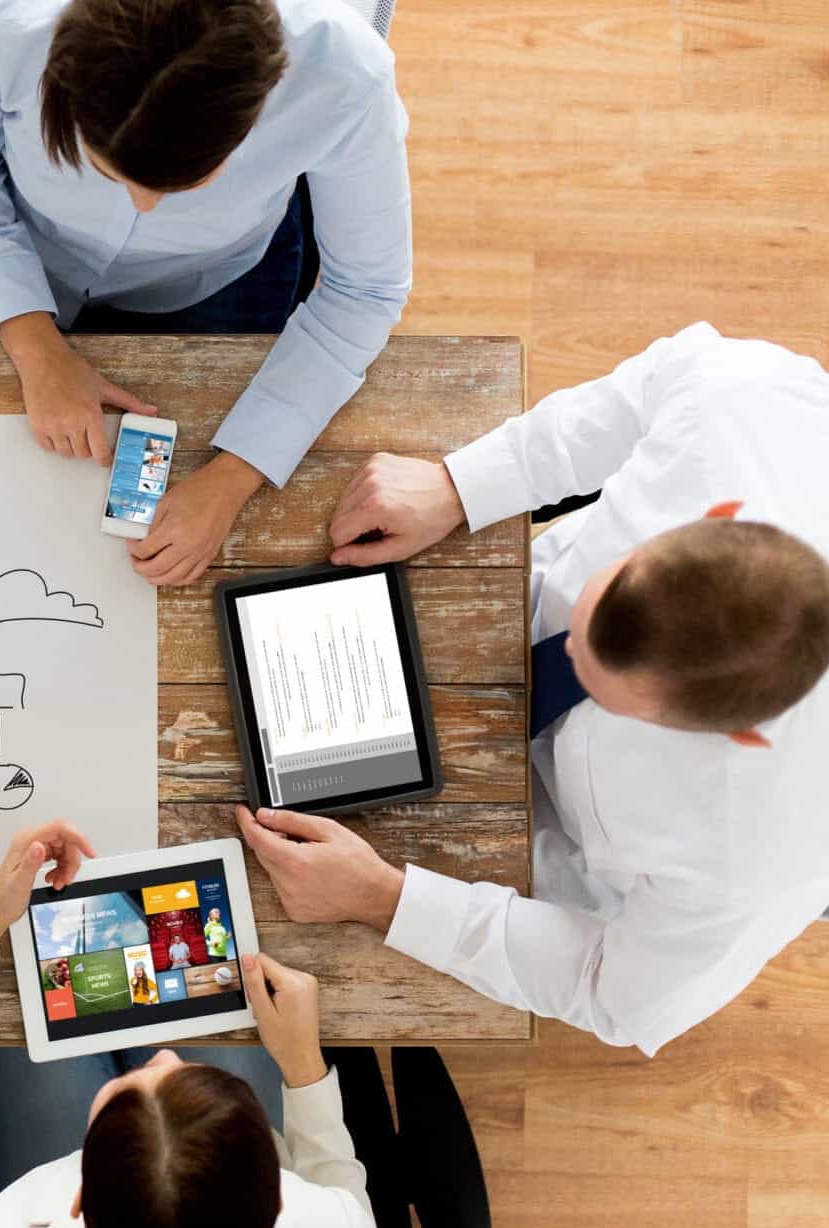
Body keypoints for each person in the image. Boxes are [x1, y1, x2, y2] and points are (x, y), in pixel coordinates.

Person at [238, 322, 829, 1055]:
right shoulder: (745, 407)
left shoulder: (762, 852)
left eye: (607, 690)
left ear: (738, 733)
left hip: (561, 856)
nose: (573, 650)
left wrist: (384, 899)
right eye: (595, 611)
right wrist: (464, 484)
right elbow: (635, 397)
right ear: (711, 517)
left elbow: (613, 993)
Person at [0, 0, 410, 587]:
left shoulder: (345, 72)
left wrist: (233, 477)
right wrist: (33, 343)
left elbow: (365, 289)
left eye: (186, 184)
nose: (143, 206)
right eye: (109, 170)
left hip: (219, 271)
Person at [0, 823, 385, 1228]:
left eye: (124, 1093)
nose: (165, 1057)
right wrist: (304, 1070)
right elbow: (340, 1193)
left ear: (76, 1199)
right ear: (279, 1201)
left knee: (19, 1003)